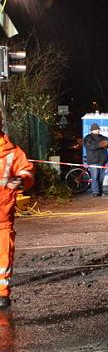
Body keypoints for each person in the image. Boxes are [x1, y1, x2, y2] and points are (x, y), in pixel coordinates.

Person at [0, 119, 35, 309]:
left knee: (3, 255)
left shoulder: (12, 152)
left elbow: (27, 172)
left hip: (2, 215)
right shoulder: (11, 151)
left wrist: (21, 181)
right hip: (4, 212)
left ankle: (2, 294)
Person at [83, 123, 108, 197]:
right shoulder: (88, 138)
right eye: (96, 129)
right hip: (93, 161)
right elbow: (91, 147)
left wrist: (107, 143)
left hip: (102, 160)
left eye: (98, 129)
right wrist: (100, 145)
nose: (97, 130)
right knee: (95, 177)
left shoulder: (102, 137)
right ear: (92, 130)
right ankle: (95, 192)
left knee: (101, 178)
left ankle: (100, 191)